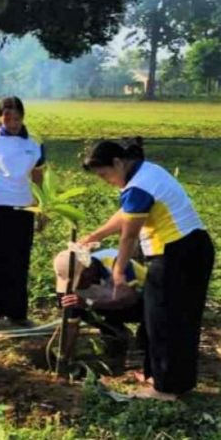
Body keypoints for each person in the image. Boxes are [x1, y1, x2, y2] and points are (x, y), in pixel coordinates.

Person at [80, 140, 214, 400]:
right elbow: (126, 214)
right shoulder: (147, 172)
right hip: (194, 248)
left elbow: (129, 237)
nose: (105, 180)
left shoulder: (138, 186)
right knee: (180, 317)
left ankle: (164, 388)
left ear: (118, 163)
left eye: (104, 174)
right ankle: (169, 380)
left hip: (175, 254)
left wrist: (118, 274)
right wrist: (95, 235)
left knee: (163, 319)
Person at [0, 97, 45, 326]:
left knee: (20, 259)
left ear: (23, 116)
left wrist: (41, 208)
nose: (12, 122)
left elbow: (38, 176)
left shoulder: (34, 142)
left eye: (16, 118)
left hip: (24, 207)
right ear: (0, 117)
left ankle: (17, 313)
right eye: (7, 117)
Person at [54, 247, 146, 372]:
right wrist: (63, 358)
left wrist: (89, 303)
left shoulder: (116, 261)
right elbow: (71, 325)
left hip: (144, 302)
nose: (78, 286)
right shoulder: (69, 286)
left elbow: (129, 298)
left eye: (79, 280)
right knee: (76, 305)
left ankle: (143, 346)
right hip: (105, 306)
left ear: (88, 270)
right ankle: (116, 339)